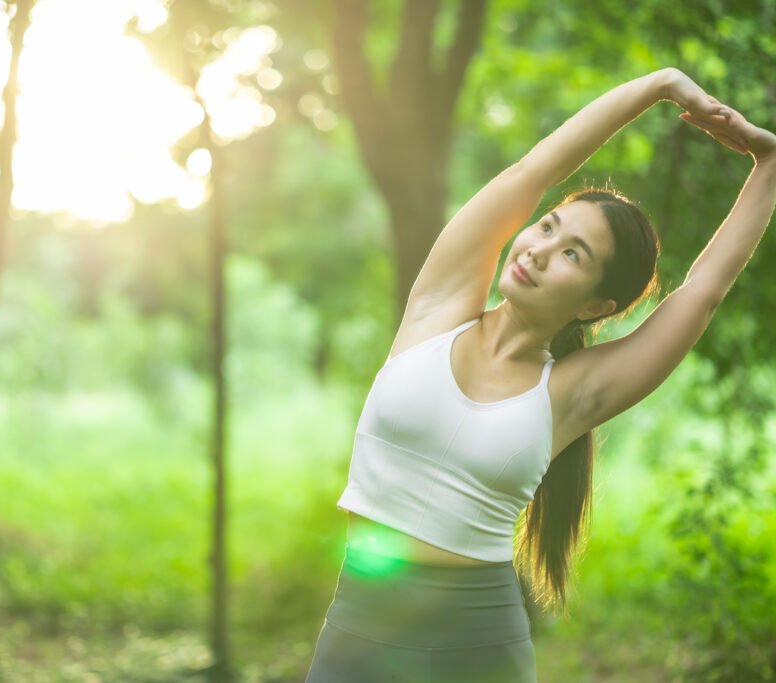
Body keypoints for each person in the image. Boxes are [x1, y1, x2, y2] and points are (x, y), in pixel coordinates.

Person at [304, 67, 776, 683]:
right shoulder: (438, 308)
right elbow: (533, 172)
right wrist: (659, 86)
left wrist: (770, 165)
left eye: (573, 255)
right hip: (358, 633)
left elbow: (703, 292)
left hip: (478, 647)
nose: (539, 250)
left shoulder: (571, 394)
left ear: (595, 307)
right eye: (550, 227)